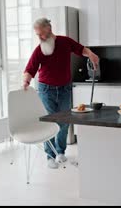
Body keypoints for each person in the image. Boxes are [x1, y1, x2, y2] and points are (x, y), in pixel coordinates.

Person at [23, 18, 99, 169]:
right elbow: (29, 69)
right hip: (45, 90)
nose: (40, 38)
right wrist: (25, 82)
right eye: (38, 35)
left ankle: (60, 151)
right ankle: (50, 156)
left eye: (42, 34)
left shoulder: (65, 42)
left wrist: (91, 54)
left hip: (64, 89)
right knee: (49, 122)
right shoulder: (40, 50)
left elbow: (81, 49)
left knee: (64, 122)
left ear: (50, 29)